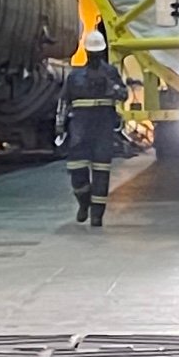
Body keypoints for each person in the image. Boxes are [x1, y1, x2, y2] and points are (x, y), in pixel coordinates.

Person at [59, 27, 129, 227]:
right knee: (77, 171)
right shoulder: (75, 76)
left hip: (102, 128)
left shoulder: (111, 73)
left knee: (101, 172)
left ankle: (97, 215)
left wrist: (111, 87)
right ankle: (84, 202)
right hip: (80, 129)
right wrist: (59, 126)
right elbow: (64, 101)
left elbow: (124, 95)